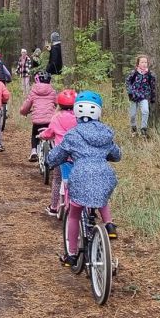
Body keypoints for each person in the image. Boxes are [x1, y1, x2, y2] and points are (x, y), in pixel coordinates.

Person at [46, 91, 121, 267]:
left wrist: (51, 160)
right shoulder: (106, 133)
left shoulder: (73, 135)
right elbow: (116, 155)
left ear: (77, 111)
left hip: (80, 174)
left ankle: (71, 254)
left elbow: (57, 155)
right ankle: (109, 225)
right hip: (104, 173)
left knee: (74, 214)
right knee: (100, 193)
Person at [38, 89, 77, 217]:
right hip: (77, 154)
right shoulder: (78, 118)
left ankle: (54, 207)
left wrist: (41, 135)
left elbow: (49, 133)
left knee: (57, 179)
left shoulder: (56, 117)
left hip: (61, 155)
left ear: (59, 104)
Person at [20, 72, 57, 162]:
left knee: (34, 134)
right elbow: (57, 103)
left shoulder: (33, 91)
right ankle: (54, 150)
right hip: (50, 120)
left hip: (37, 121)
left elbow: (26, 106)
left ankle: (33, 151)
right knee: (53, 135)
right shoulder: (53, 91)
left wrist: (23, 112)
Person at [125, 54, 157, 137]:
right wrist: (130, 92)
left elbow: (152, 86)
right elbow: (128, 82)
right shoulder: (134, 72)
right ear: (138, 64)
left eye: (145, 62)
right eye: (142, 62)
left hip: (144, 95)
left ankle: (143, 129)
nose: (144, 64)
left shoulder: (150, 74)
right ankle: (133, 129)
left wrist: (153, 97)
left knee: (145, 111)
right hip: (134, 95)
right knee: (132, 114)